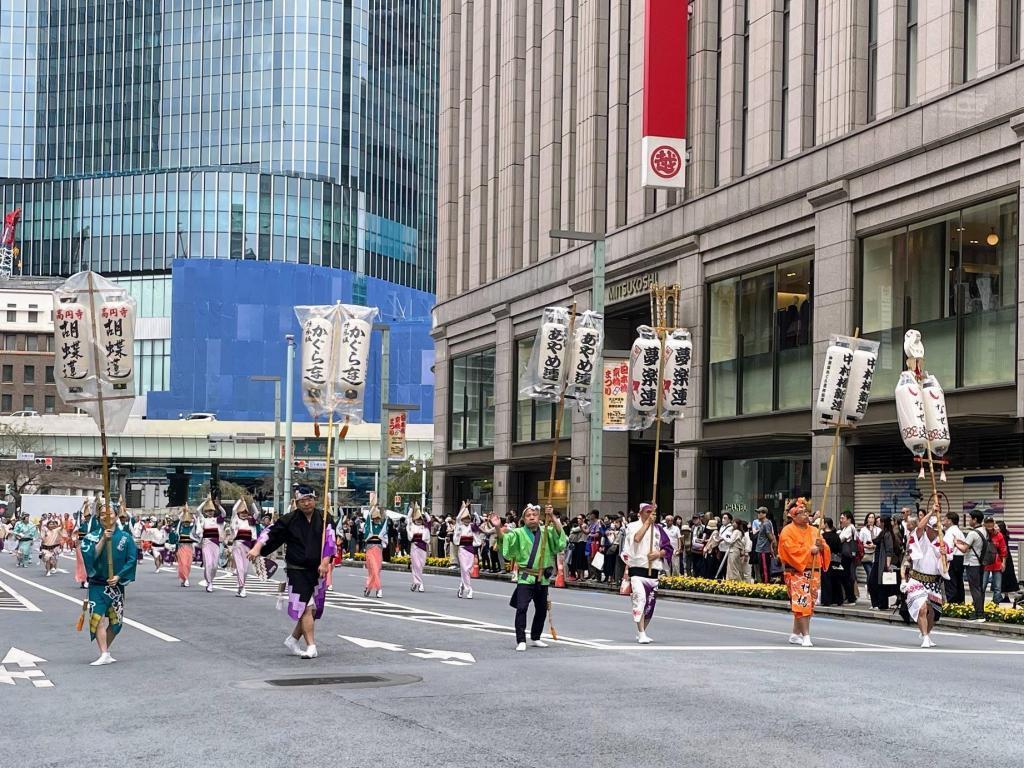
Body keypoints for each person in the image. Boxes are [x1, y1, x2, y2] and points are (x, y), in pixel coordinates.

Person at [247, 485, 336, 659]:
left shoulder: (325, 518)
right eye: (303, 501)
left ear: (315, 500)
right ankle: (311, 646)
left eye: (309, 499)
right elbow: (269, 532)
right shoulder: (289, 519)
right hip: (296, 570)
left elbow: (330, 542)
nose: (307, 503)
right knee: (306, 608)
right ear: (296, 503)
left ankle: (293, 639)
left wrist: (325, 562)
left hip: (318, 569)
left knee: (313, 610)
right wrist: (257, 548)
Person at [494, 504, 566, 652]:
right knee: (522, 608)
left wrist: (552, 516)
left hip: (542, 578)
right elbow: (505, 540)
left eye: (534, 514)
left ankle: (535, 637)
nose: (532, 517)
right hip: (526, 577)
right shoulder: (519, 533)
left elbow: (560, 537)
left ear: (539, 517)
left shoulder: (547, 531)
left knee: (541, 609)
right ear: (523, 519)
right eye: (528, 515)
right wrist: (497, 527)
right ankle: (521, 640)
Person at [80, 518, 138, 666]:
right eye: (104, 513)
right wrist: (103, 540)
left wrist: (119, 576)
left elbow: (131, 560)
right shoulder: (91, 537)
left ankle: (105, 650)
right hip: (97, 585)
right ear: (99, 517)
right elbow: (89, 557)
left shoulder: (125, 538)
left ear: (116, 515)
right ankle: (104, 653)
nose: (108, 516)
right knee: (97, 618)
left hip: (116, 586)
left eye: (111, 513)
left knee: (115, 623)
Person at [777, 498, 831, 648]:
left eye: (806, 512)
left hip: (813, 572)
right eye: (801, 513)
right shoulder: (787, 532)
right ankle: (806, 635)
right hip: (796, 572)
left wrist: (821, 547)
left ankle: (795, 634)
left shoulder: (815, 530)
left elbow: (824, 549)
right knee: (802, 603)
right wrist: (810, 551)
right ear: (793, 516)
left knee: (809, 604)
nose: (806, 515)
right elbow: (790, 551)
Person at [620, 503, 670, 644]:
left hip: (653, 570)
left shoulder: (659, 529)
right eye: (647, 512)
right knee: (640, 599)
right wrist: (647, 523)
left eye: (652, 512)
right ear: (640, 513)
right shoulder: (632, 526)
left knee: (649, 604)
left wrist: (658, 553)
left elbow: (668, 547)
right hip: (637, 568)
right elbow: (636, 539)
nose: (650, 514)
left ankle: (642, 630)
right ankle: (641, 632)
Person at [903, 509, 950, 648]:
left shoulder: (942, 544)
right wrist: (931, 512)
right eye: (934, 528)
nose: (936, 531)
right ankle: (924, 636)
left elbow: (945, 568)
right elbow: (919, 527)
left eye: (938, 529)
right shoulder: (919, 539)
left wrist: (944, 555)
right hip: (917, 579)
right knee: (922, 608)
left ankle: (927, 633)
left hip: (933, 581)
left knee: (934, 613)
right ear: (928, 528)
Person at [955, 511, 988, 621]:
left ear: (975, 520)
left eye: (970, 518)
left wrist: (955, 543)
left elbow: (964, 549)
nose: (969, 521)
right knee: (979, 588)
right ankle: (980, 611)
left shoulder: (972, 533)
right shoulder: (984, 530)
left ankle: (979, 614)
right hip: (980, 563)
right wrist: (962, 542)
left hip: (972, 563)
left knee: (975, 589)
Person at [195, 497, 226, 593]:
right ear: (205, 512)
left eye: (211, 511)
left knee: (214, 566)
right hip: (206, 544)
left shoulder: (217, 520)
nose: (210, 512)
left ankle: (211, 580)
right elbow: (197, 510)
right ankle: (209, 583)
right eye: (208, 511)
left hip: (216, 544)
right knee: (208, 564)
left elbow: (224, 514)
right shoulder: (203, 520)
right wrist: (205, 501)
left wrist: (218, 505)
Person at [229, 496, 258, 598]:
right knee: (240, 568)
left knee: (245, 570)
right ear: (239, 513)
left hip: (247, 548)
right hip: (237, 546)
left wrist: (252, 502)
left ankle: (240, 588)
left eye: (246, 513)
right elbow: (233, 510)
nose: (244, 514)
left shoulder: (251, 522)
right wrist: (239, 501)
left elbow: (257, 513)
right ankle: (243, 588)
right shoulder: (236, 520)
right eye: (242, 513)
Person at [453, 503, 482, 599]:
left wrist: (474, 511)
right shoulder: (459, 526)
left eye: (468, 518)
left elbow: (478, 521)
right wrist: (464, 508)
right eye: (465, 518)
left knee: (468, 570)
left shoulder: (472, 527)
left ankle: (462, 585)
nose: (467, 520)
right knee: (464, 569)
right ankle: (469, 589)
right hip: (462, 549)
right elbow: (457, 518)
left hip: (470, 550)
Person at [362, 506, 388, 598]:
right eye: (375, 518)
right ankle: (378, 589)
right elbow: (368, 518)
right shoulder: (369, 526)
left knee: (377, 570)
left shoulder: (381, 527)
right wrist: (372, 508)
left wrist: (383, 512)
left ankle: (368, 588)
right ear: (373, 519)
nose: (377, 519)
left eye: (378, 518)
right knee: (373, 569)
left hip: (378, 550)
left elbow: (386, 522)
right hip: (370, 549)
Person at [982, 516, 1008, 605]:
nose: (989, 524)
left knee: (997, 587)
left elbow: (1003, 549)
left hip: (997, 563)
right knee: (982, 586)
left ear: (994, 524)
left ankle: (995, 606)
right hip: (984, 564)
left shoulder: (999, 534)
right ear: (984, 524)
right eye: (987, 522)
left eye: (991, 522)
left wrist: (1003, 563)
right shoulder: (982, 533)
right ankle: (978, 605)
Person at [170, 506, 197, 587]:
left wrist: (192, 514)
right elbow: (180, 519)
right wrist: (184, 512)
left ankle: (185, 578)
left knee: (188, 565)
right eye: (185, 522)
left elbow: (196, 522)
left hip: (189, 549)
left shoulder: (191, 529)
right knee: (183, 564)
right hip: (181, 549)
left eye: (187, 522)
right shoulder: (180, 528)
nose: (186, 523)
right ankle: (186, 579)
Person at [943, 512, 967, 604]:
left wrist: (945, 560)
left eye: (945, 519)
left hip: (952, 558)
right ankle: (960, 602)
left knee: (951, 581)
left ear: (950, 521)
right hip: (960, 558)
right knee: (959, 581)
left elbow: (948, 548)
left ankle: (952, 603)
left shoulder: (950, 532)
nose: (943, 521)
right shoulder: (959, 531)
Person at [820, 518, 844, 607]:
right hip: (835, 560)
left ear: (826, 524)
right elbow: (839, 549)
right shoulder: (836, 536)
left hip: (825, 560)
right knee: (836, 580)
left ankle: (827, 600)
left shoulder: (823, 537)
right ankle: (838, 599)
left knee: (826, 580)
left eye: (822, 523)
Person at [407, 504, 430, 592]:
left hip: (423, 548)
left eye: (420, 519)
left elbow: (429, 521)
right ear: (414, 520)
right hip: (415, 547)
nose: (419, 521)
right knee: (416, 565)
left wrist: (425, 512)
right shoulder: (412, 526)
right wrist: (411, 510)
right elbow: (408, 519)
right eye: (417, 519)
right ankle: (420, 584)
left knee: (420, 566)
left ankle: (415, 582)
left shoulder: (425, 527)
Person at [837, 511, 858, 604]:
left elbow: (841, 539)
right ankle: (849, 596)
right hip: (845, 555)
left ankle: (851, 597)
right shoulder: (845, 528)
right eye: (840, 518)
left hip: (848, 555)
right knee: (846, 576)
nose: (841, 520)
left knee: (846, 576)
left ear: (849, 519)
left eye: (843, 518)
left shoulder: (850, 528)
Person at [752, 507, 777, 583]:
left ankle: (766, 584)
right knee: (762, 569)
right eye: (758, 513)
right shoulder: (764, 523)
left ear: (765, 514)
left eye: (760, 513)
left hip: (764, 550)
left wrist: (773, 546)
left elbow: (770, 536)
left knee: (765, 569)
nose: (758, 514)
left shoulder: (766, 523)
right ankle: (765, 583)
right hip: (761, 549)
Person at [996, 521, 1019, 598]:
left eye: (996, 527)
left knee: (1002, 577)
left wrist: (1003, 562)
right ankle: (1005, 596)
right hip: (1006, 558)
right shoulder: (1004, 535)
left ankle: (1002, 596)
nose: (994, 528)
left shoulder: (1001, 536)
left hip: (1003, 559)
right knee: (1005, 577)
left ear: (1000, 528)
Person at [859, 513, 880, 588]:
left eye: (872, 517)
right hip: (866, 555)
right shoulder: (863, 530)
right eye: (869, 517)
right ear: (867, 519)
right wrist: (866, 546)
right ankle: (869, 590)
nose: (871, 519)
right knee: (870, 573)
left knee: (873, 574)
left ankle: (872, 590)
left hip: (875, 555)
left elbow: (879, 543)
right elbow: (860, 543)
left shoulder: (878, 530)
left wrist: (873, 546)